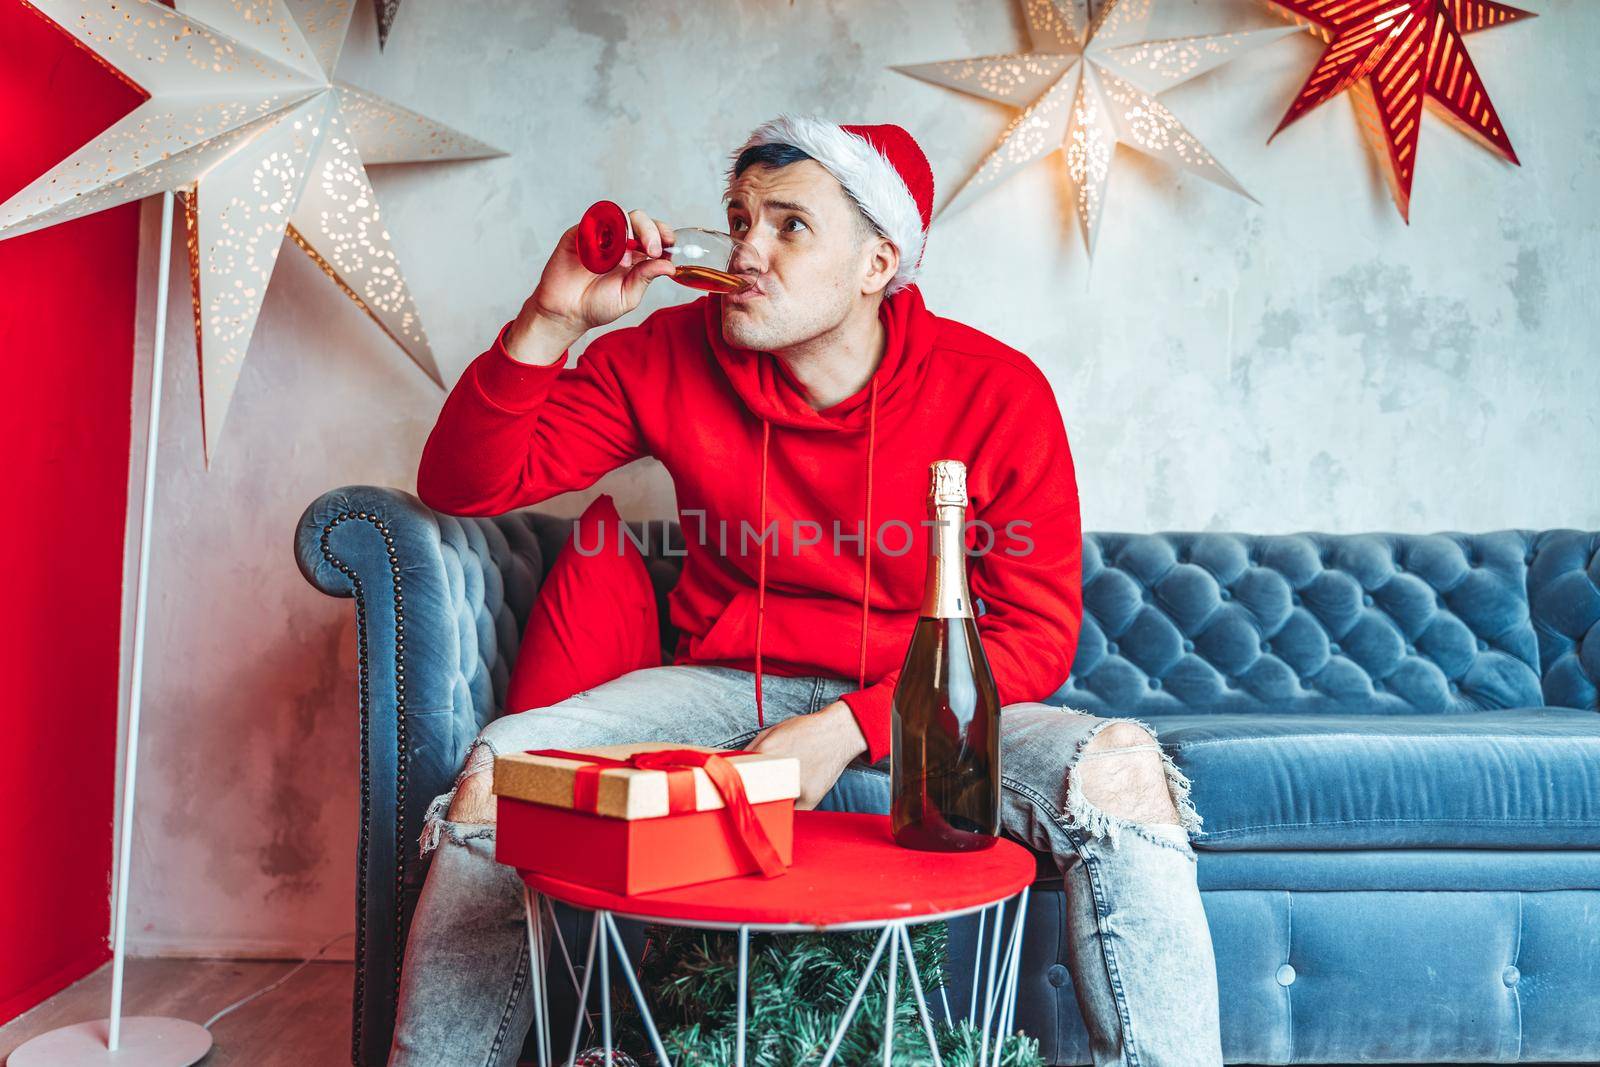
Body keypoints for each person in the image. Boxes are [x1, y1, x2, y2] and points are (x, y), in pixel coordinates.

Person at [393, 113, 1222, 1066]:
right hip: (721, 688)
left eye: (790, 225)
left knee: (1120, 772)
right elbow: (463, 485)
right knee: (505, 773)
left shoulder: (995, 391)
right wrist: (552, 319)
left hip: (925, 706)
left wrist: (849, 728)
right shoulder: (665, 353)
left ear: (877, 263)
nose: (746, 248)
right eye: (740, 217)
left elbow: (1034, 636)